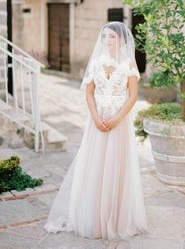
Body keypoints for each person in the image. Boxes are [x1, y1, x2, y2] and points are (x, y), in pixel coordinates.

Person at [44, 21, 149, 240]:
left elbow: (133, 96)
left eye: (111, 36)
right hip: (97, 121)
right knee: (95, 164)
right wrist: (95, 117)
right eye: (104, 36)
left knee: (116, 166)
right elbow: (89, 93)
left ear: (120, 39)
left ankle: (116, 218)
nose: (107, 40)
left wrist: (118, 119)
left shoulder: (129, 64)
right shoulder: (96, 63)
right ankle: (93, 217)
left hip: (118, 124)